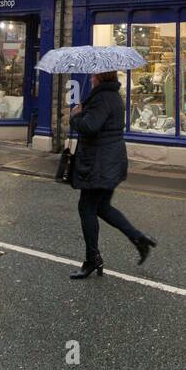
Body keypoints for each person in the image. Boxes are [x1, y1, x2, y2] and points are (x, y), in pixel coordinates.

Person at [67, 70, 156, 279]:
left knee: (87, 207)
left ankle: (92, 259)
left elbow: (90, 126)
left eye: (94, 75)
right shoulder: (113, 96)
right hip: (110, 160)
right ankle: (138, 238)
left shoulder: (102, 98)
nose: (90, 78)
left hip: (100, 162)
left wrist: (76, 116)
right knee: (103, 207)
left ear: (101, 78)